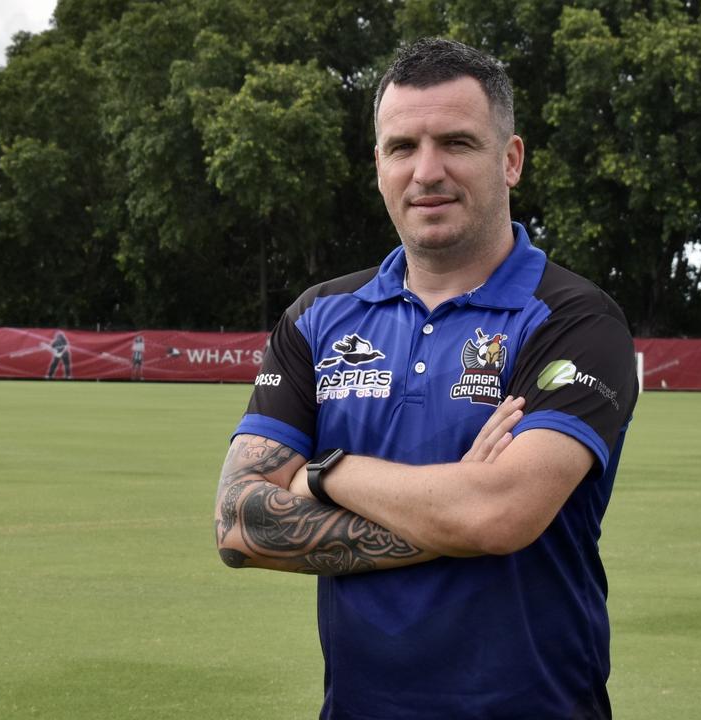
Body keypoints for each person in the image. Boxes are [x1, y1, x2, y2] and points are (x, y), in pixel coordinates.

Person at [214, 38, 638, 719]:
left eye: (457, 143)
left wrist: (326, 472)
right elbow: (239, 525)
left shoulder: (573, 319)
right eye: (402, 146)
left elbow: (497, 513)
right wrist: (458, 507)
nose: (427, 171)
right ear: (378, 163)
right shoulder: (319, 317)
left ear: (510, 160)